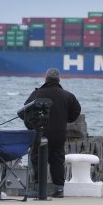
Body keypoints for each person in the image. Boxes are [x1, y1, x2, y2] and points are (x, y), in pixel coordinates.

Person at [23, 68, 81, 198]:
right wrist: (67, 119)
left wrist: (30, 125)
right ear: (59, 80)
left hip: (41, 133)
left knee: (38, 159)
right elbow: (76, 111)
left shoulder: (37, 94)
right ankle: (59, 189)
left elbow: (25, 111)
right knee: (57, 160)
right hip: (59, 134)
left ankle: (38, 189)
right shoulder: (68, 95)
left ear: (46, 78)